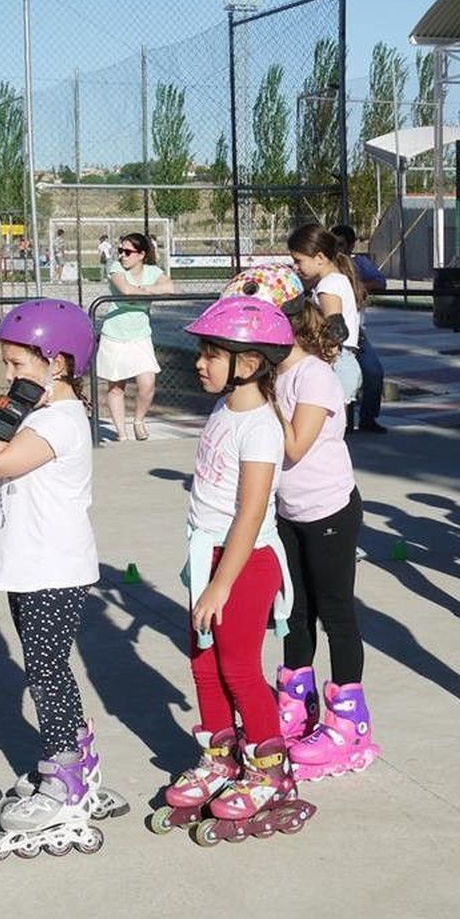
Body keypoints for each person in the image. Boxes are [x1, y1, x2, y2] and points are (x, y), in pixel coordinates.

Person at [151, 295, 313, 844]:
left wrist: (221, 584)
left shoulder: (261, 427)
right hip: (210, 557)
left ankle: (270, 770)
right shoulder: (225, 409)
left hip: (245, 562)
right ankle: (220, 758)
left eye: (211, 354)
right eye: (202, 352)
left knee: (239, 668)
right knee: (204, 664)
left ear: (249, 362)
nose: (199, 363)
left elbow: (251, 511)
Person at [0, 299, 129, 859]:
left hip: (53, 569)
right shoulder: (45, 415)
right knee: (45, 667)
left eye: (19, 364)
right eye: (8, 364)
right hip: (30, 565)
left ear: (57, 363)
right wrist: (19, 403)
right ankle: (75, 760)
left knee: (46, 671)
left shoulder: (60, 421)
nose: (9, 375)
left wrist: (12, 407)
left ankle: (65, 774)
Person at [224, 265, 379, 782]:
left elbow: (293, 447)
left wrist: (260, 398)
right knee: (292, 613)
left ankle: (349, 724)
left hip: (329, 510)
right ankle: (296, 705)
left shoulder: (313, 375)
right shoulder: (275, 377)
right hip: (288, 511)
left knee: (336, 613)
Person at [98, 232, 174, 441]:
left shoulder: (152, 271)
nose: (122, 255)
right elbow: (125, 290)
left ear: (141, 255)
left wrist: (145, 288)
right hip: (114, 334)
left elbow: (169, 287)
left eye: (128, 252)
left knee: (147, 383)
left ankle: (139, 421)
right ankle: (121, 434)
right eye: (120, 250)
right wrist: (151, 292)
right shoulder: (116, 268)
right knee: (116, 387)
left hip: (140, 336)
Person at [288, 223, 364, 407]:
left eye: (298, 261)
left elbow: (336, 328)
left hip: (337, 362)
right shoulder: (336, 279)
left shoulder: (328, 285)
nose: (295, 267)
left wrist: (324, 364)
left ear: (320, 258)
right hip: (344, 361)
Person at [331, 223, 388, 434]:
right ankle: (341, 421)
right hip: (335, 331)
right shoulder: (328, 267)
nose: (337, 249)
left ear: (351, 245)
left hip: (356, 332)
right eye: (333, 244)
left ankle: (368, 417)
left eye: (340, 244)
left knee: (373, 372)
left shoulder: (358, 264)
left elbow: (380, 282)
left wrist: (357, 286)